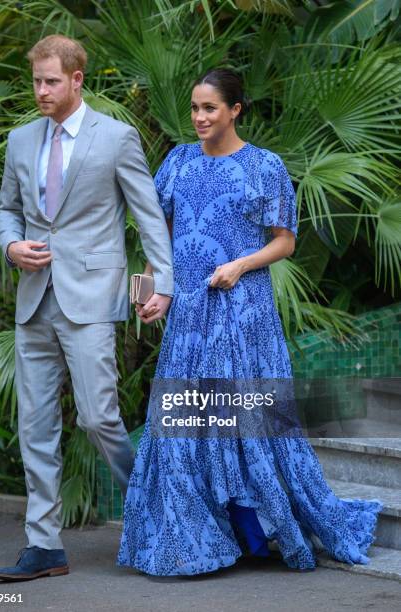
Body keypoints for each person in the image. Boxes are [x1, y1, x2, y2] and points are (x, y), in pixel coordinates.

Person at [117, 68, 382, 576]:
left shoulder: (265, 166)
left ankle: (255, 531)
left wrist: (241, 264)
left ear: (235, 110)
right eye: (195, 108)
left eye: (209, 108)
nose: (198, 118)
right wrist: (152, 290)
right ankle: (192, 539)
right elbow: (161, 235)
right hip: (189, 312)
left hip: (243, 311)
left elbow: (285, 240)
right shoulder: (176, 163)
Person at [0, 34, 173, 581]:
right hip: (33, 302)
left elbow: (148, 217)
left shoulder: (116, 138)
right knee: (36, 426)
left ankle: (159, 514)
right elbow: (6, 208)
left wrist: (159, 285)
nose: (41, 91)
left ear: (77, 79)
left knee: (99, 419)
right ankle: (44, 545)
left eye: (51, 81)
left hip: (92, 300)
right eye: (36, 81)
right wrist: (10, 244)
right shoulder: (22, 140)